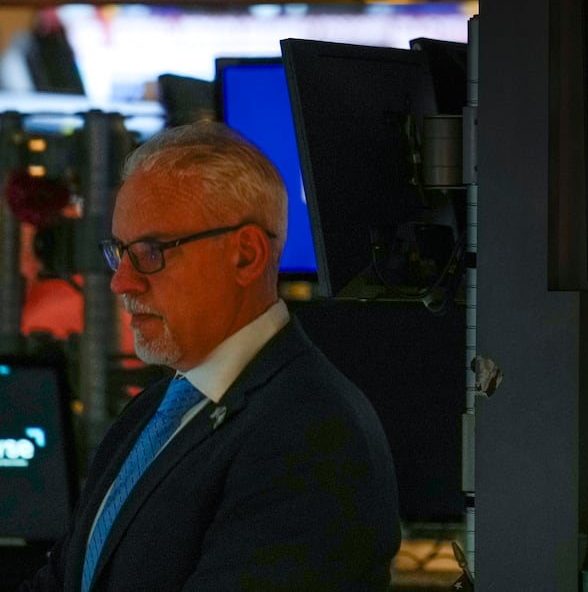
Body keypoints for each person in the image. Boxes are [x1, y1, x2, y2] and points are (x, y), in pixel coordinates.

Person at [24, 122, 399, 592]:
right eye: (119, 252)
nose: (122, 282)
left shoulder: (314, 433)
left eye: (151, 252)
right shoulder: (152, 411)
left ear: (245, 255)